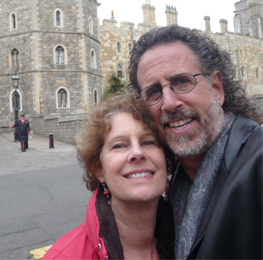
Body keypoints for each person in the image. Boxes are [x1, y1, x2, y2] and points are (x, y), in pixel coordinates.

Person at [128, 25, 262, 259]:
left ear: (217, 88)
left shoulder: (258, 162)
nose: (169, 103)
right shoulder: (171, 192)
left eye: (181, 81)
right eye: (154, 92)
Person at [43, 95, 175, 260]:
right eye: (119, 145)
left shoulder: (194, 241)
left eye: (148, 142)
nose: (137, 153)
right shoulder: (64, 256)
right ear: (99, 169)